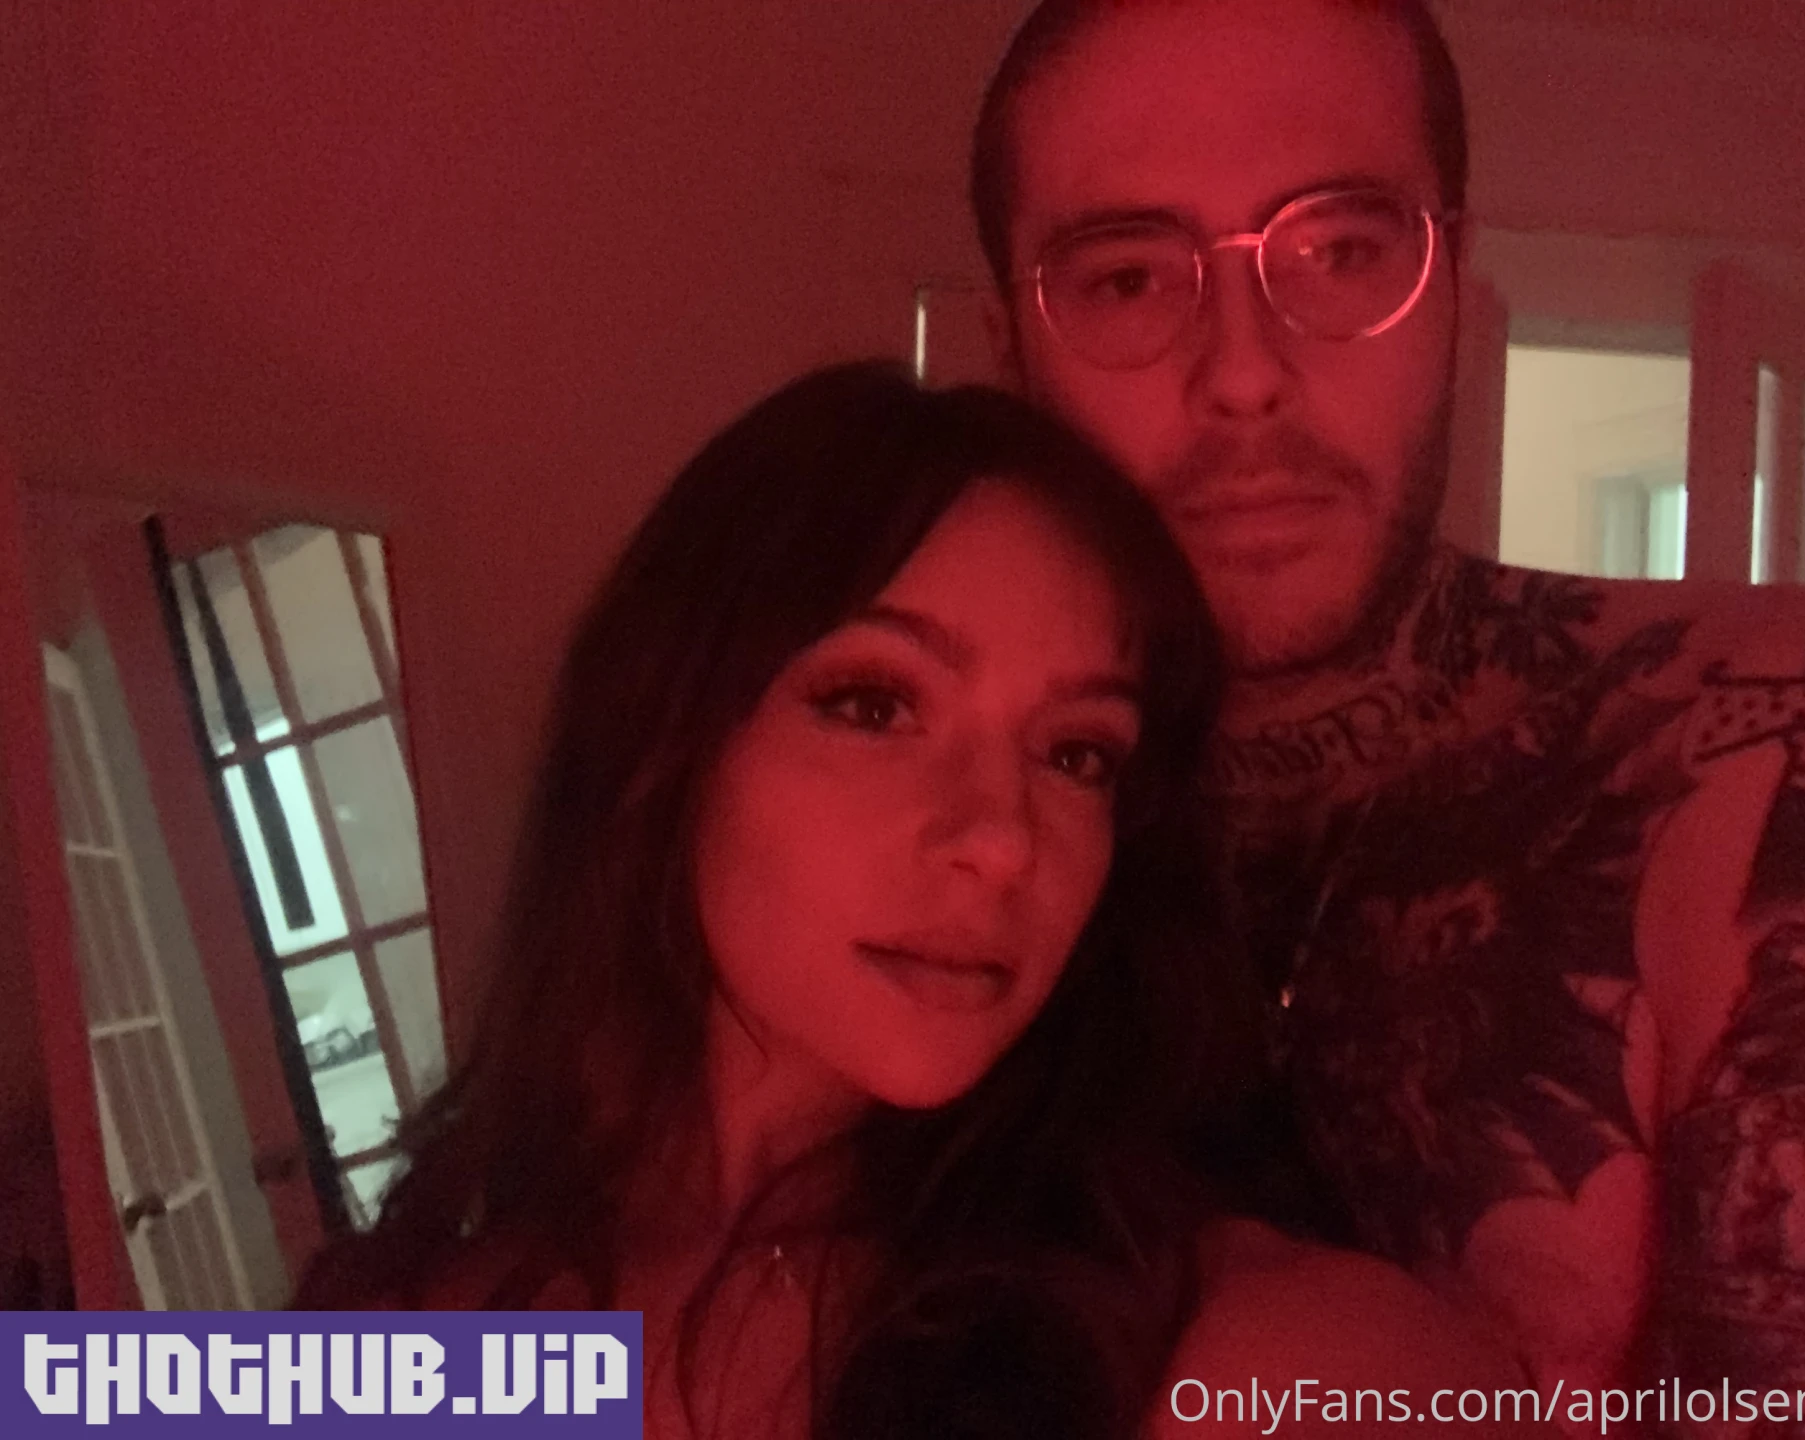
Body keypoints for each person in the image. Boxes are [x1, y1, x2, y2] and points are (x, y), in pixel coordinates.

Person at [971, 0, 1805, 1422]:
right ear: (1008, 351)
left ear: (1457, 287)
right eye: (1125, 280)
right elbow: (625, 1330)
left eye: (1343, 252)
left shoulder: (1758, 739)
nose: (1244, 375)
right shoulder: (904, 815)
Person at [296, 362, 1534, 1438]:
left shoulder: (1285, 1359)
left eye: (1077, 754)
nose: (1002, 841)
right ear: (662, 750)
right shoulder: (399, 1338)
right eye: (876, 704)